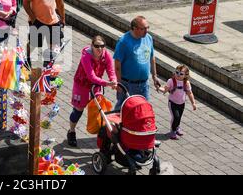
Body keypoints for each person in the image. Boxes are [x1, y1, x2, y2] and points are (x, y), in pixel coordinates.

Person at [114, 16, 161, 145]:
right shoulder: (124, 42)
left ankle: (146, 137)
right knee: (121, 110)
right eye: (143, 29)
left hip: (143, 84)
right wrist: (119, 83)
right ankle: (115, 134)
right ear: (134, 28)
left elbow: (152, 58)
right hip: (127, 84)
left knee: (145, 111)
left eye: (147, 28)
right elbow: (117, 64)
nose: (146, 31)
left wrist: (154, 76)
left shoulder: (148, 38)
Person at [67, 36, 117, 147]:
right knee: (78, 110)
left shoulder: (106, 55)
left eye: (102, 46)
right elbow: (91, 76)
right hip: (82, 85)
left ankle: (101, 133)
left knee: (100, 110)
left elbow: (110, 70)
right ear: (92, 46)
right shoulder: (86, 57)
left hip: (96, 86)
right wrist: (107, 83)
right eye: (97, 46)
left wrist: (113, 79)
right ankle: (71, 131)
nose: (100, 49)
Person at [23, 0, 65, 67]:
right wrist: (33, 19)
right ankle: (26, 57)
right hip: (38, 20)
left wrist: (63, 18)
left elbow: (60, 2)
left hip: (53, 20)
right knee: (34, 43)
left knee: (54, 43)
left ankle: (48, 63)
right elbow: (25, 3)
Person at [157, 65, 197, 140]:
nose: (178, 75)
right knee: (176, 117)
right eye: (177, 72)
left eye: (181, 74)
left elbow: (189, 93)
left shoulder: (186, 83)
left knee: (179, 117)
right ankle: (173, 130)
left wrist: (193, 103)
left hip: (182, 103)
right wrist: (159, 88)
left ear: (185, 75)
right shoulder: (171, 81)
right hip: (172, 103)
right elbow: (165, 90)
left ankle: (177, 127)